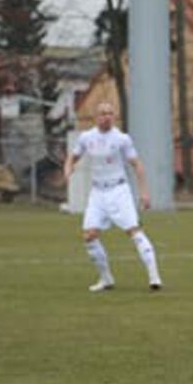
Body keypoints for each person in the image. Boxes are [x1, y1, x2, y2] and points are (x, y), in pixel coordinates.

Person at [61, 101, 163, 292]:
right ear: (95, 117)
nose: (106, 116)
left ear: (114, 116)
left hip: (119, 191)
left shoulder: (122, 139)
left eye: (110, 113)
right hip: (97, 193)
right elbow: (72, 158)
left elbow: (137, 165)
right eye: (102, 113)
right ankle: (106, 279)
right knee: (89, 235)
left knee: (134, 231)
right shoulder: (86, 137)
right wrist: (68, 170)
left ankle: (154, 276)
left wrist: (144, 193)